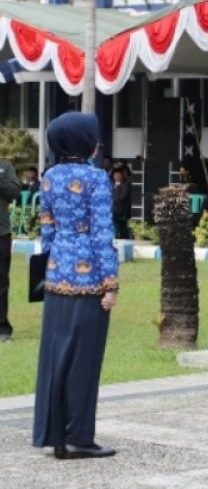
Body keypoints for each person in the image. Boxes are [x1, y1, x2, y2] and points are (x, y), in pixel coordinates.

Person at [33, 112, 118, 459]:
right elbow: (102, 234)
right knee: (84, 361)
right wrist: (111, 284)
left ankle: (53, 434)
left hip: (55, 280)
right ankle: (79, 437)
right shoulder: (97, 179)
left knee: (56, 359)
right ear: (83, 142)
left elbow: (47, 231)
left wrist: (50, 271)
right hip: (89, 282)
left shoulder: (49, 177)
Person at [0, 157, 22, 343]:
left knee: (1, 282)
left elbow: (15, 192)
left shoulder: (5, 167)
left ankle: (2, 328)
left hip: (1, 233)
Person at [110, 166, 131, 239]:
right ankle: (115, 237)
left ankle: (123, 237)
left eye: (119, 175)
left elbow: (124, 196)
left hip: (121, 209)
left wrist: (114, 199)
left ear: (122, 176)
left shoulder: (125, 185)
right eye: (115, 175)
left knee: (122, 227)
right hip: (112, 209)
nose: (117, 176)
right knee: (114, 225)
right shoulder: (111, 184)